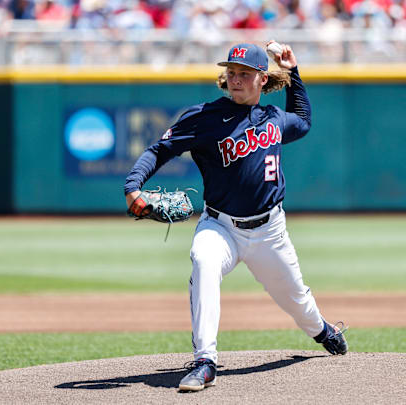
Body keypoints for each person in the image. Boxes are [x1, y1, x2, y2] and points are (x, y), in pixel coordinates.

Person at [124, 42, 348, 392]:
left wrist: (294, 72)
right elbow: (159, 150)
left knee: (297, 300)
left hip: (270, 232)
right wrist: (133, 185)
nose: (236, 79)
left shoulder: (273, 118)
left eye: (244, 73)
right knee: (203, 261)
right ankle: (205, 361)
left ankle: (323, 330)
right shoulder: (204, 118)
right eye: (231, 72)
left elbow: (302, 122)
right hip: (220, 225)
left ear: (262, 79)